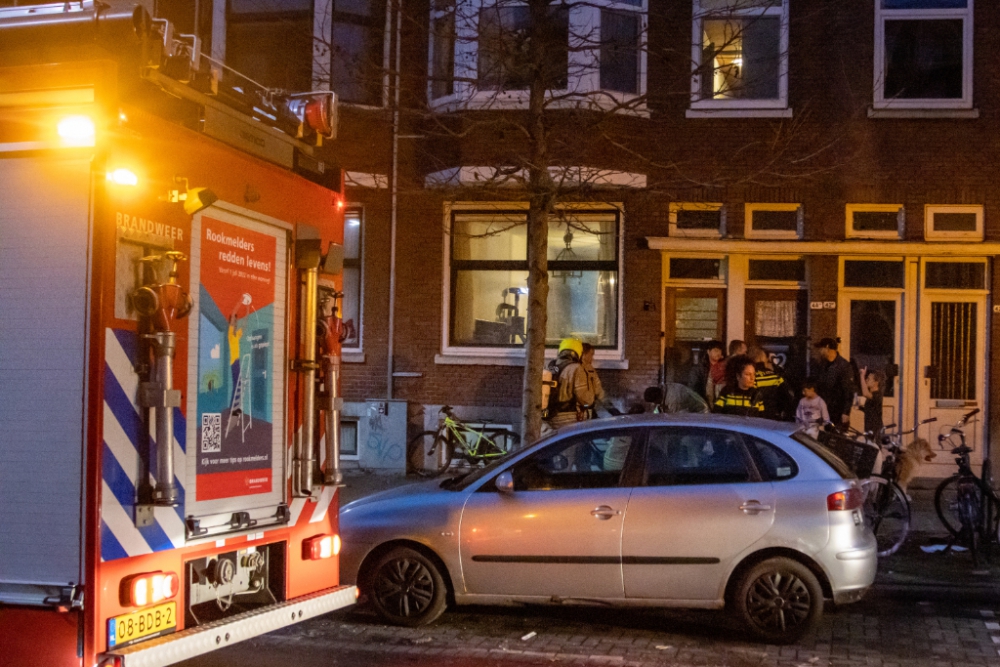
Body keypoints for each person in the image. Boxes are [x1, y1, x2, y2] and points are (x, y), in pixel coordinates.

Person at [544, 338, 596, 431]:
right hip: (570, 418)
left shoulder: (551, 366)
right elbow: (585, 400)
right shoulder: (576, 368)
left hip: (551, 415)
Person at [814, 337, 854, 430]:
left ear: (827, 348)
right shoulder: (823, 365)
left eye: (821, 348)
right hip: (826, 410)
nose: (819, 351)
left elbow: (848, 391)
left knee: (837, 438)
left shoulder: (844, 366)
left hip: (838, 411)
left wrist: (846, 412)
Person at [749, 346, 793, 420]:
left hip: (754, 416)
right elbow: (789, 396)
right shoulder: (775, 376)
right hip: (773, 414)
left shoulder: (749, 377)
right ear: (764, 359)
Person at [581, 343, 620, 418]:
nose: (593, 358)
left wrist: (613, 410)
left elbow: (599, 392)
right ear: (584, 354)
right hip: (579, 411)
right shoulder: (577, 369)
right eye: (591, 354)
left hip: (588, 409)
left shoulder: (590, 369)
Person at [858, 367, 885, 437]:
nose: (866, 380)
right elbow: (872, 410)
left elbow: (865, 393)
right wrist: (860, 408)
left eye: (869, 379)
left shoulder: (877, 394)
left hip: (875, 429)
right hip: (869, 427)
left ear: (876, 383)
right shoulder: (872, 395)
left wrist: (862, 376)